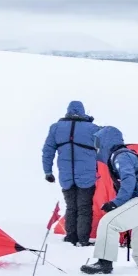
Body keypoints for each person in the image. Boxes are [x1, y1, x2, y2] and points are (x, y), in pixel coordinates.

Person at [82, 127, 138, 275]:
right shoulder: (127, 154)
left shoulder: (121, 156)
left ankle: (104, 263)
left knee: (108, 223)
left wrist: (116, 203)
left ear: (106, 141)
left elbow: (128, 180)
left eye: (98, 142)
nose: (97, 146)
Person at [41, 100, 101, 245]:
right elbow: (102, 148)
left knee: (71, 207)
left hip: (66, 176)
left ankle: (71, 237)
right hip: (87, 175)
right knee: (84, 208)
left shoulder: (56, 128)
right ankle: (83, 240)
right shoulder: (93, 128)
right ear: (83, 111)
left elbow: (48, 151)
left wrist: (48, 171)